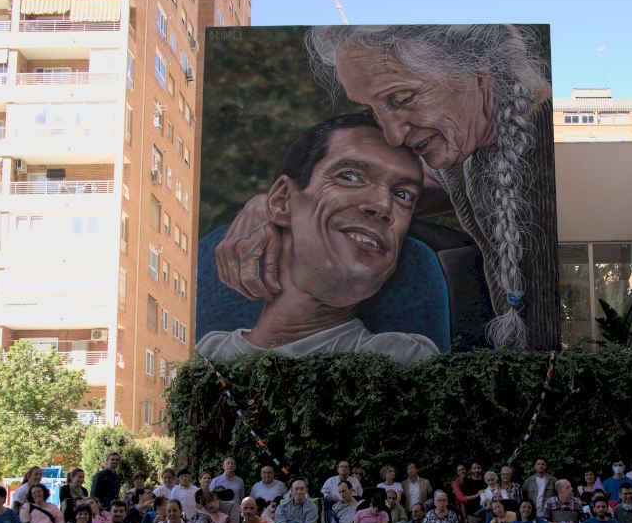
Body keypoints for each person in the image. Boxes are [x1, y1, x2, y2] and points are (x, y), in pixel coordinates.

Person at [218, 24, 554, 350]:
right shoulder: (465, 146)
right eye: (372, 110)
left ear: (478, 70)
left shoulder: (544, 160)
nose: (393, 135)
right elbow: (389, 195)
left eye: (403, 98)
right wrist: (273, 206)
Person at [197, 113, 439, 364]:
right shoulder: (207, 352)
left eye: (403, 195)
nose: (383, 205)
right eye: (350, 176)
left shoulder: (402, 359)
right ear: (282, 200)